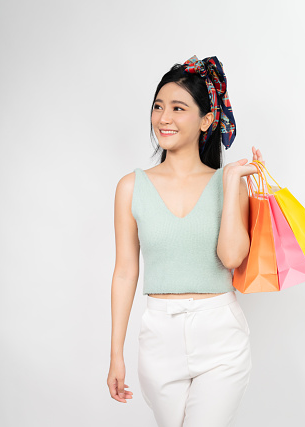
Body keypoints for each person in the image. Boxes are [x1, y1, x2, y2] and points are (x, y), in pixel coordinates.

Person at [107, 55, 265, 427]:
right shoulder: (131, 187)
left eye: (179, 108)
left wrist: (229, 183)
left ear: (206, 120)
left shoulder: (230, 184)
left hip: (220, 332)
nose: (164, 118)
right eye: (159, 107)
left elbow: (231, 258)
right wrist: (116, 352)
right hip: (159, 336)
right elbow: (126, 272)